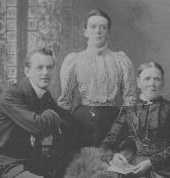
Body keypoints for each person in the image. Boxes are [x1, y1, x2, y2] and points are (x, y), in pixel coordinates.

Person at [0, 48, 77, 178]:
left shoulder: (44, 96)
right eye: (39, 68)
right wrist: (53, 114)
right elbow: (38, 126)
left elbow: (67, 120)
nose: (45, 72)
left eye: (49, 67)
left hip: (28, 163)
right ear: (27, 71)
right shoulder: (12, 94)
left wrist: (53, 116)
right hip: (4, 168)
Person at [58, 9, 136, 147]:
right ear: (85, 32)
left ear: (108, 32)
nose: (98, 31)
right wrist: (61, 129)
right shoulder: (74, 60)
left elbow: (129, 99)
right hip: (82, 121)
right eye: (93, 26)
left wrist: (124, 125)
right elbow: (65, 101)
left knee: (110, 162)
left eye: (103, 27)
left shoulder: (120, 59)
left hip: (113, 121)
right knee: (81, 162)